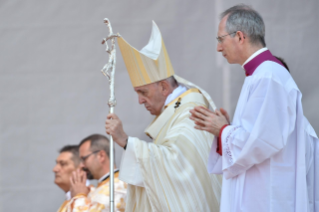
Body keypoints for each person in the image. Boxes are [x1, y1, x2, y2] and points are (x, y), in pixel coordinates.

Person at [190, 4, 318, 212]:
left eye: (221, 39)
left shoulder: (268, 76)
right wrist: (228, 128)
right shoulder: (260, 75)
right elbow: (260, 135)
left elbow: (261, 142)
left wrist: (222, 130)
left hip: (268, 195)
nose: (218, 48)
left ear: (240, 37)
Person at [104, 21, 222, 212]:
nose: (140, 101)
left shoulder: (191, 112)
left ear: (164, 87)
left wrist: (126, 142)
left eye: (143, 93)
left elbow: (178, 167)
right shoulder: (178, 109)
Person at [68, 134, 127, 212]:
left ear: (101, 156)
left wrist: (79, 196)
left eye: (84, 158)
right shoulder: (106, 185)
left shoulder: (118, 187)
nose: (81, 165)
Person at [53, 145, 89, 212]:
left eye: (63, 164)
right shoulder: (68, 199)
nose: (54, 169)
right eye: (57, 164)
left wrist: (80, 196)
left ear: (81, 169)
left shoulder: (95, 198)